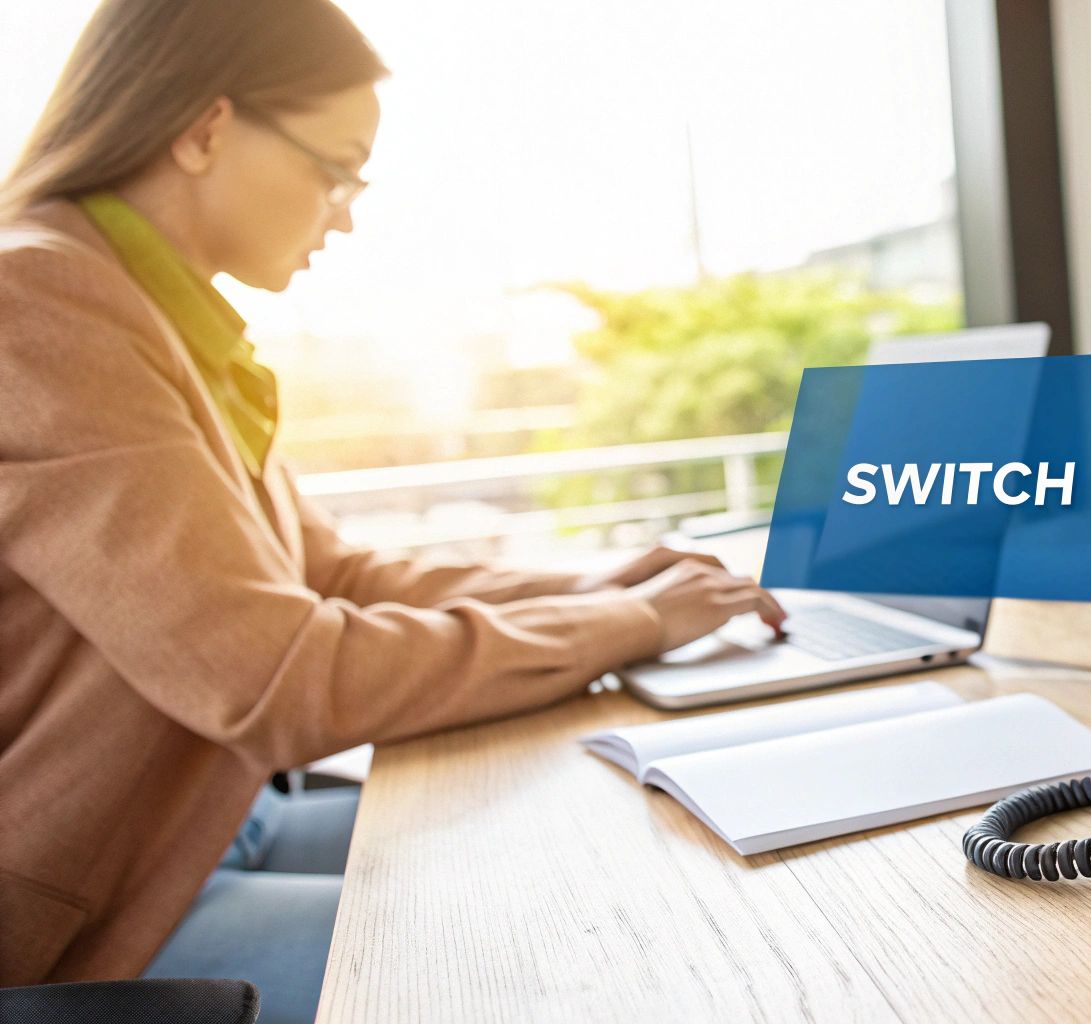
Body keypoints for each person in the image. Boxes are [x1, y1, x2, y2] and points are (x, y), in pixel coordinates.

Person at [0, 0, 785, 1018]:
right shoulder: (43, 307)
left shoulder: (152, 313)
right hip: (85, 914)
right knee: (534, 959)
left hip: (205, 824)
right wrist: (625, 625)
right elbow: (281, 675)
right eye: (336, 169)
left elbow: (329, 576)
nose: (349, 212)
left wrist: (591, 581)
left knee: (566, 852)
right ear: (205, 130)